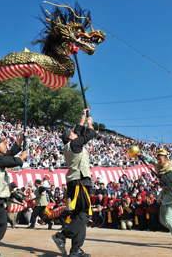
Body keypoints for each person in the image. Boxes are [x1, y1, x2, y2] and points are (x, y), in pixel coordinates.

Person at [52, 109, 95, 257]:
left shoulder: (70, 145)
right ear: (71, 137)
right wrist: (89, 123)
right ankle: (62, 236)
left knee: (79, 216)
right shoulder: (75, 144)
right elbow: (90, 134)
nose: (75, 132)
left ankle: (76, 249)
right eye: (73, 133)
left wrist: (83, 116)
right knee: (84, 214)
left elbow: (78, 130)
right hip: (80, 181)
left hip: (74, 181)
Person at [139, 149, 172, 249]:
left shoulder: (171, 170)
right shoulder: (159, 165)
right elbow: (151, 160)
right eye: (157, 159)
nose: (158, 161)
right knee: (163, 220)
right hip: (165, 195)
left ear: (166, 159)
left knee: (169, 219)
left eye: (160, 159)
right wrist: (141, 155)